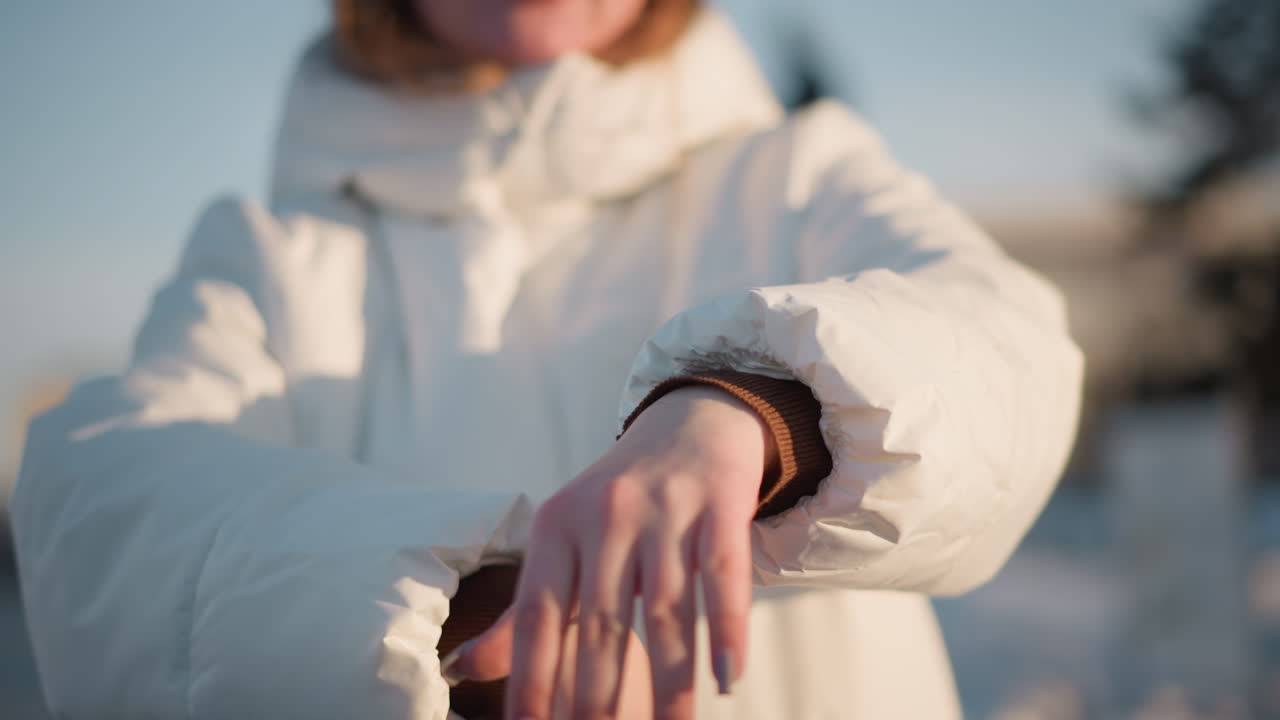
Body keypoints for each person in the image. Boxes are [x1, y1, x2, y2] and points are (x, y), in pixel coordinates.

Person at [11, 0, 1083, 718]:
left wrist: (756, 409)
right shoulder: (272, 254)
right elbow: (111, 499)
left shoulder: (798, 173)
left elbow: (1006, 347)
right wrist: (457, 608)